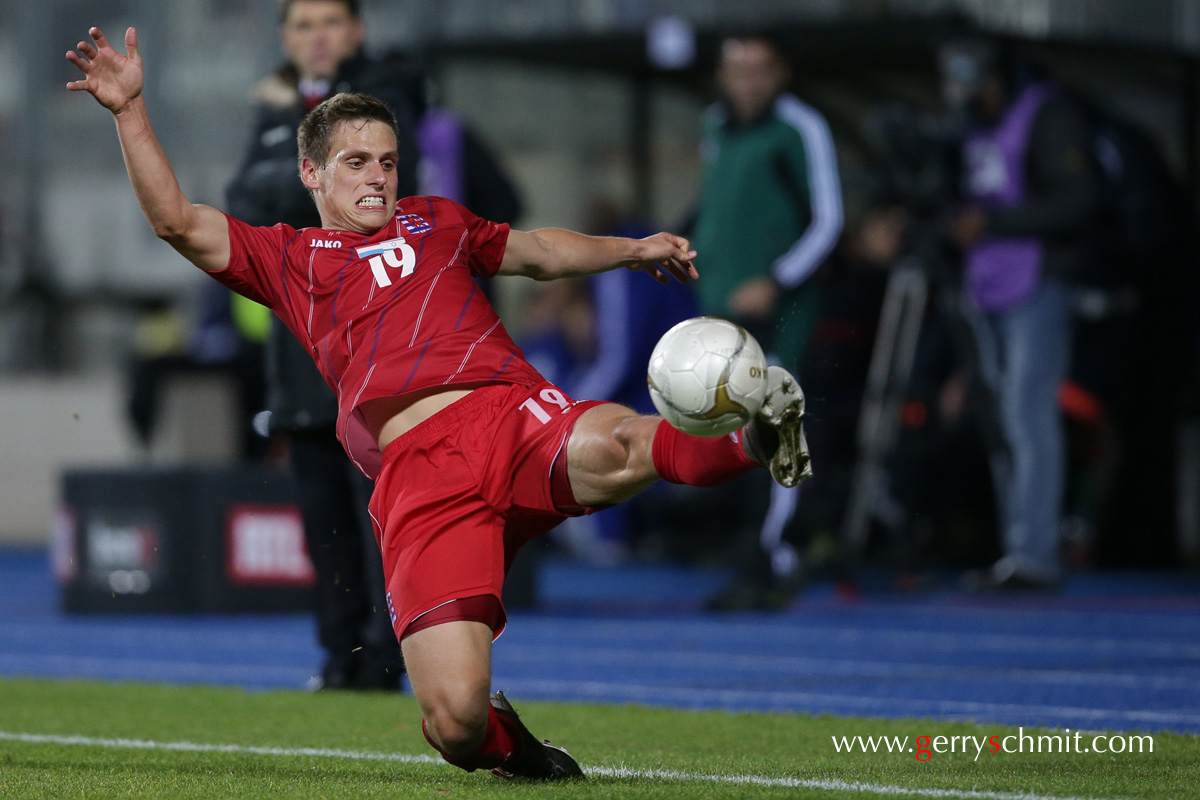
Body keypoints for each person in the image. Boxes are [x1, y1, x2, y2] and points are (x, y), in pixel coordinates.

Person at [67, 26, 811, 780]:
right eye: (356, 162)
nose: (377, 178)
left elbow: (541, 253)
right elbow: (177, 222)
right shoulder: (289, 257)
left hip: (507, 413)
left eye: (387, 162)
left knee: (617, 444)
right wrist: (129, 109)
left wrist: (634, 247)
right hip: (421, 480)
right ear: (312, 172)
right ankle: (516, 752)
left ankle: (754, 439)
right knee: (454, 723)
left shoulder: (438, 221)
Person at [225, 0, 421, 691]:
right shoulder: (279, 107)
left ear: (357, 31)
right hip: (300, 350)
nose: (318, 37)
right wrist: (306, 171)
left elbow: (374, 196)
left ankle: (393, 653)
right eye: (303, 25)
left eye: (330, 22)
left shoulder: (387, 97)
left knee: (379, 513)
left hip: (373, 344)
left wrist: (295, 152)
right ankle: (342, 657)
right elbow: (238, 202)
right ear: (285, 38)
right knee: (323, 520)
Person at [689, 33, 843, 609]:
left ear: (780, 72)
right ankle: (750, 547)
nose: (748, 81)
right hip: (720, 305)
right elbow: (715, 207)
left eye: (759, 69)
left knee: (778, 421)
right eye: (737, 69)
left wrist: (776, 280)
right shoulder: (716, 125)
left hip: (780, 309)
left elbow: (829, 221)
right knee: (729, 424)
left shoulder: (801, 127)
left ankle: (777, 555)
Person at [942, 43, 1102, 589]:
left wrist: (992, 223)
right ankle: (1017, 545)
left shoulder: (1047, 114)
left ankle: (1035, 553)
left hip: (1037, 281)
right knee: (1001, 419)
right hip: (984, 283)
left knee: (1027, 416)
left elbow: (1078, 199)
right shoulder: (967, 126)